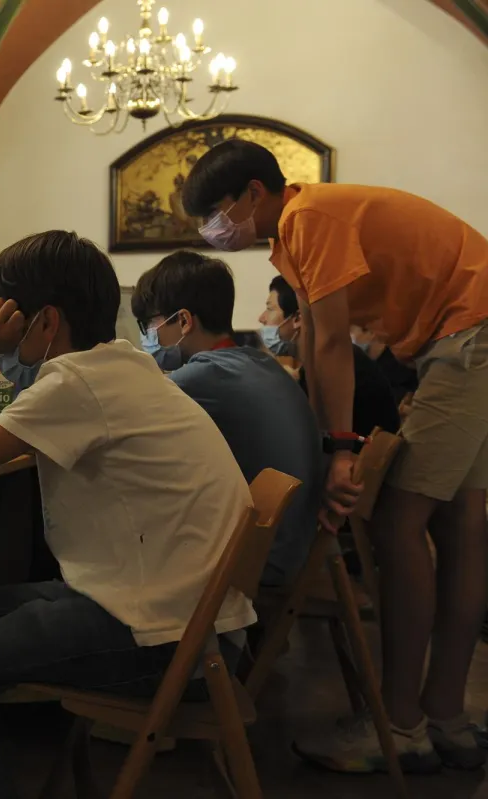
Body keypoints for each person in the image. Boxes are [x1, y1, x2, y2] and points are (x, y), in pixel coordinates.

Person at [0, 230, 256, 799]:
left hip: (167, 644)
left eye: (8, 317)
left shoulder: (74, 382)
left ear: (45, 320)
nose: (1, 333)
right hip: (195, 625)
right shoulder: (120, 365)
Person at [183, 139, 488, 773]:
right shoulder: (295, 233)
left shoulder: (306, 218)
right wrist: (332, 443)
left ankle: (400, 726)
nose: (212, 228)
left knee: (399, 524)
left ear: (254, 193)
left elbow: (327, 348)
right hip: (470, 327)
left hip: (468, 332)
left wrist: (342, 448)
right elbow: (321, 340)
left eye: (215, 212)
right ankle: (445, 718)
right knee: (461, 524)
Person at [132, 251, 323, 587]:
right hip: (292, 547)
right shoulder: (258, 363)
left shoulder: (203, 376)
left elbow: (127, 421)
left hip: (255, 563)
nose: (147, 336)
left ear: (184, 321)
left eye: (149, 324)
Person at [261, 275, 400, 436]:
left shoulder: (330, 364)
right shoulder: (324, 361)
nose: (262, 318)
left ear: (297, 318)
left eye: (270, 309)